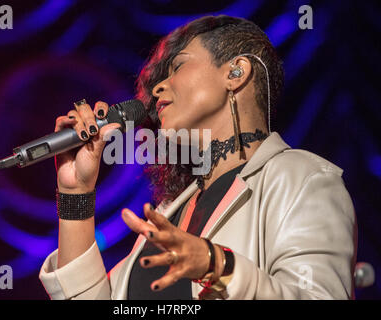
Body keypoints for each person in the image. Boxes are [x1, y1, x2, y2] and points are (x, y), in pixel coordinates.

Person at [39, 15, 357, 300]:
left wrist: (216, 264)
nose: (158, 88)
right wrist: (76, 192)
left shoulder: (302, 178)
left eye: (178, 66)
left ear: (236, 72)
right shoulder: (173, 209)